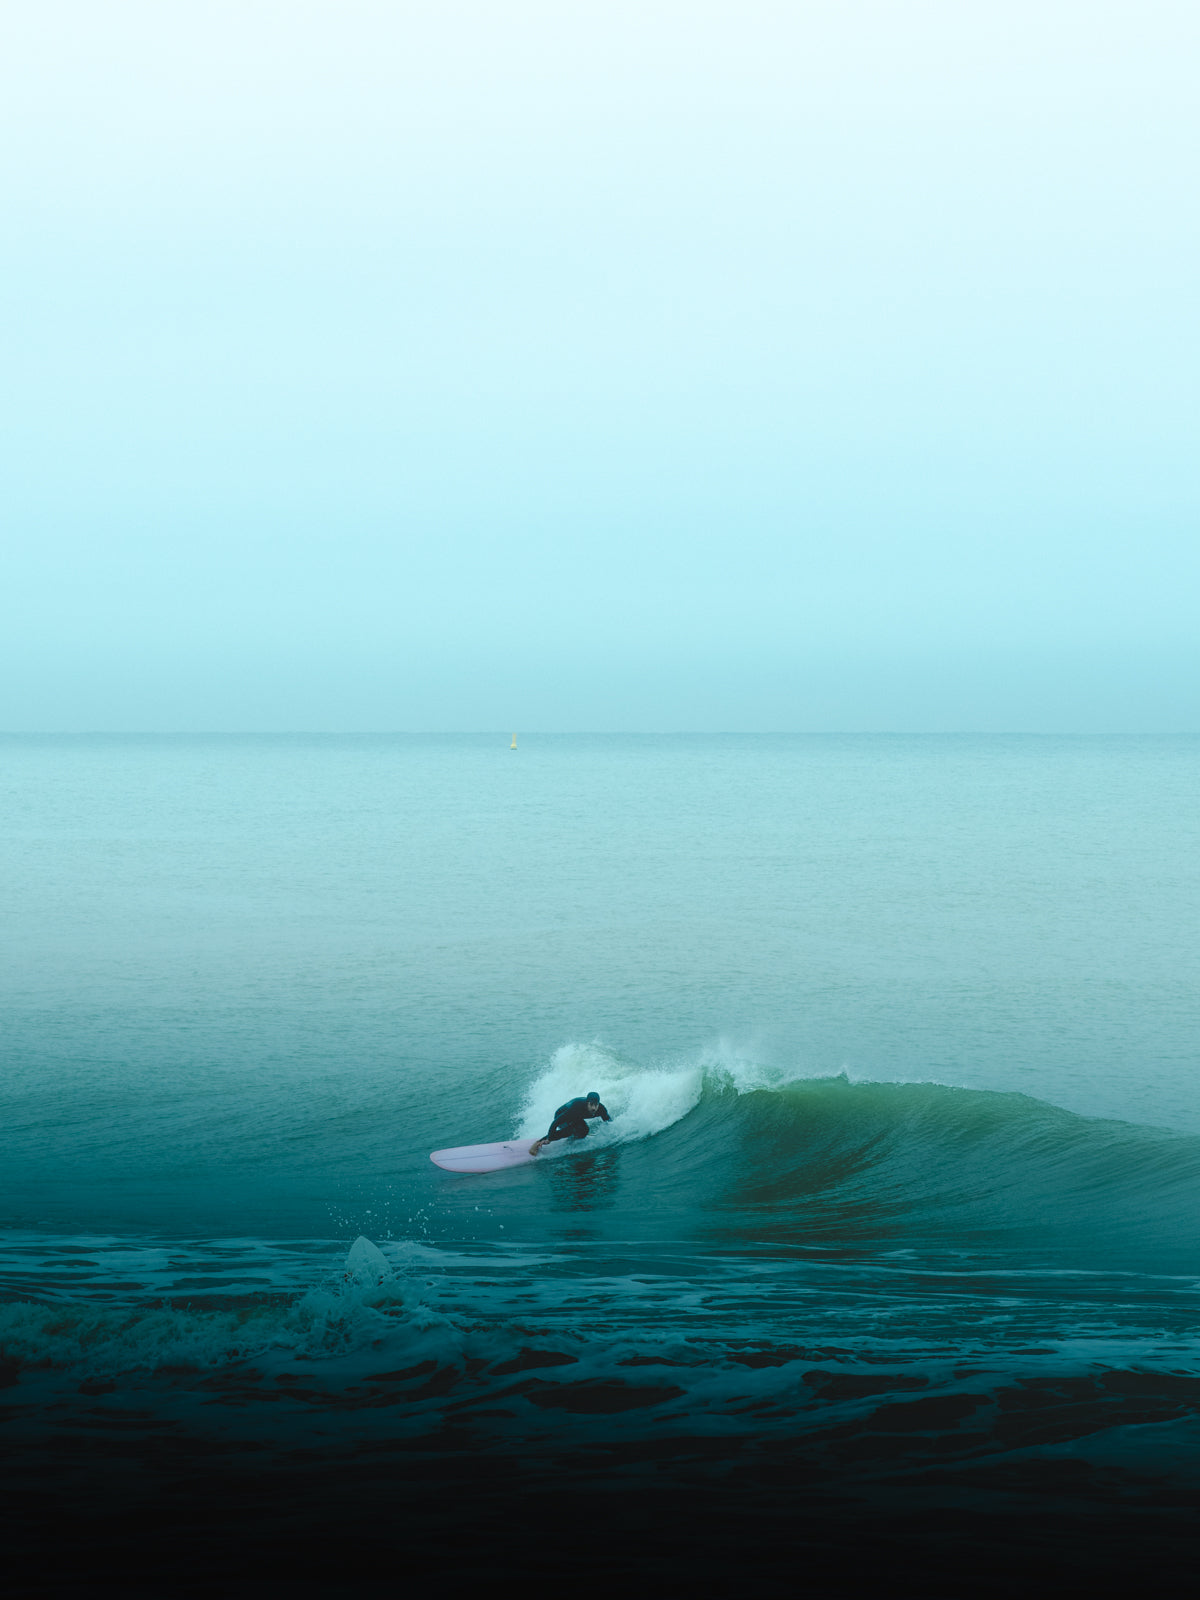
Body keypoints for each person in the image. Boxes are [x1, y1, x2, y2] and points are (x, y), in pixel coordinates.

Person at [529, 1092, 610, 1156]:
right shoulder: (577, 1107)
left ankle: (570, 1140)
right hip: (561, 1115)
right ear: (587, 1103)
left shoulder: (601, 1109)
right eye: (591, 1104)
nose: (593, 1108)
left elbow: (608, 1121)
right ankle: (537, 1143)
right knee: (571, 1130)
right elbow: (555, 1123)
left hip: (576, 1117)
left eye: (596, 1105)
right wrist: (549, 1138)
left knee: (584, 1130)